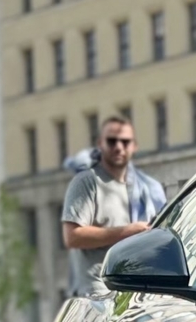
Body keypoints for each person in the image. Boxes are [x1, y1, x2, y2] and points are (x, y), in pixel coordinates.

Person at [59, 115, 165, 298]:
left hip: (132, 297)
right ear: (100, 143)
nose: (119, 147)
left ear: (134, 146)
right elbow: (72, 236)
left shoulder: (146, 189)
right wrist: (127, 232)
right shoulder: (86, 182)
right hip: (96, 297)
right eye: (112, 141)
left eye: (125, 142)